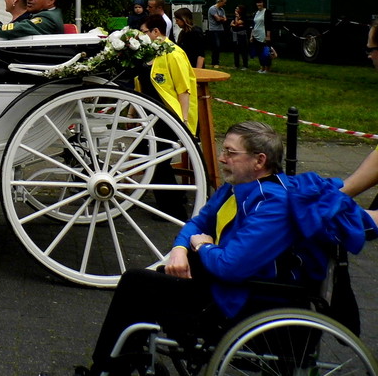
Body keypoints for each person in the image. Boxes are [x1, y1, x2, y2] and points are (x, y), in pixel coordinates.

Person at [77, 121, 377, 376]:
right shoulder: (236, 188)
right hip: (235, 285)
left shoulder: (273, 207)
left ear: (259, 160)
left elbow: (230, 266)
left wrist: (201, 247)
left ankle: (107, 368)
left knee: (138, 283)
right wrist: (181, 248)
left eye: (230, 153)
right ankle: (118, 363)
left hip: (249, 300)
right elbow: (198, 222)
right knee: (150, 281)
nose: (221, 158)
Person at [136, 15, 198, 135]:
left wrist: (184, 121)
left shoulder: (174, 54)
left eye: (144, 32)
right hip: (148, 114)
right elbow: (140, 84)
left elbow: (183, 88)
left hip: (168, 115)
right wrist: (132, 113)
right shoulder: (148, 52)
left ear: (155, 31)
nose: (141, 37)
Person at [251, 0, 274, 73]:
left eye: (260, 2)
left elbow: (269, 24)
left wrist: (268, 36)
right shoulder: (256, 13)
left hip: (263, 35)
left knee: (265, 53)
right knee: (259, 52)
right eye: (257, 3)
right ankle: (262, 67)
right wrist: (251, 36)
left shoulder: (267, 12)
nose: (259, 4)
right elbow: (253, 25)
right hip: (256, 35)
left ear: (263, 3)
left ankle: (267, 68)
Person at [207, 0, 228, 67]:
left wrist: (221, 18)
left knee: (219, 46)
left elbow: (225, 19)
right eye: (224, 2)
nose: (224, 4)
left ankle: (216, 61)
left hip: (220, 29)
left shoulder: (222, 10)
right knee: (216, 46)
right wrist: (221, 18)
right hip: (213, 30)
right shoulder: (212, 9)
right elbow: (218, 19)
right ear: (220, 2)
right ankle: (215, 62)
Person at [231, 4, 249, 69]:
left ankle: (245, 65)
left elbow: (236, 23)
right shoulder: (234, 16)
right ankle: (236, 65)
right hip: (235, 34)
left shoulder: (244, 17)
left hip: (242, 35)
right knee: (236, 50)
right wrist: (235, 24)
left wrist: (237, 18)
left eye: (237, 8)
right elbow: (232, 24)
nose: (235, 9)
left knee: (243, 50)